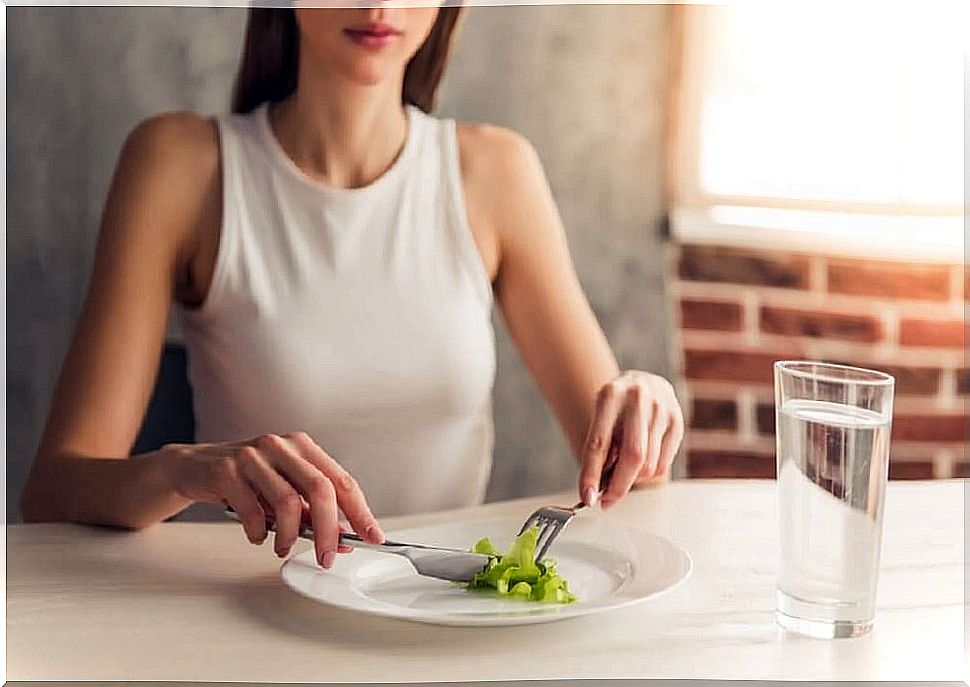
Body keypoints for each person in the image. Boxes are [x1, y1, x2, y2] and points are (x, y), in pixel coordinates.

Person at [20, 6, 685, 570]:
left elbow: (625, 479)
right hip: (247, 615)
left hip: (447, 620)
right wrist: (181, 470)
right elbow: (53, 490)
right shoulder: (179, 165)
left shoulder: (497, 172)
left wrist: (645, 404)